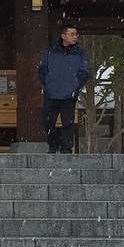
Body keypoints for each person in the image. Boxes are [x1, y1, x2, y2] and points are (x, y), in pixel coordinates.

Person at [37, 24, 89, 154]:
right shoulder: (50, 52)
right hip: (51, 93)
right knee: (48, 122)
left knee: (68, 123)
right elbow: (42, 68)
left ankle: (66, 147)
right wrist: (47, 81)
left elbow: (84, 72)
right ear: (63, 36)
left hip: (69, 94)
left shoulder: (80, 53)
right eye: (72, 34)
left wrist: (75, 84)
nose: (75, 37)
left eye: (76, 34)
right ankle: (53, 145)